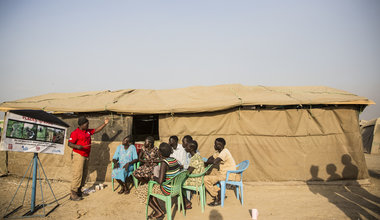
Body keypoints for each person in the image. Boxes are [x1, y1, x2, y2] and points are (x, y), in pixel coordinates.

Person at [68, 116, 109, 201]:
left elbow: (96, 130)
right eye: (86, 124)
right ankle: (73, 193)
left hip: (86, 155)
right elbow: (70, 143)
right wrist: (77, 146)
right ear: (81, 125)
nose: (88, 125)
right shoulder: (75, 133)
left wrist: (104, 124)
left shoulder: (87, 132)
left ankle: (79, 191)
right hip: (78, 155)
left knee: (84, 173)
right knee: (78, 174)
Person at [136, 142, 181, 219]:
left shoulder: (164, 163)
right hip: (176, 187)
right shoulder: (174, 160)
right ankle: (159, 210)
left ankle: (158, 212)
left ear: (160, 153)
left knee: (140, 190)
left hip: (167, 189)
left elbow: (160, 181)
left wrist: (153, 177)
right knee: (150, 188)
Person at [204, 137, 237, 206]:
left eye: (215, 144)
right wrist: (207, 162)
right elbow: (211, 158)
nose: (214, 146)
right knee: (210, 173)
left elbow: (215, 162)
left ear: (219, 145)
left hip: (228, 174)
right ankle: (220, 193)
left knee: (205, 179)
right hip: (223, 173)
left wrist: (207, 162)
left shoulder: (224, 152)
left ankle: (218, 197)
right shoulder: (218, 152)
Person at [183, 140, 205, 209]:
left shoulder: (194, 158)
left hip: (196, 180)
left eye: (187, 146)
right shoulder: (197, 156)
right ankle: (186, 200)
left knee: (178, 184)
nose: (185, 148)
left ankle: (186, 202)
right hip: (199, 178)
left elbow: (188, 172)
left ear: (191, 149)